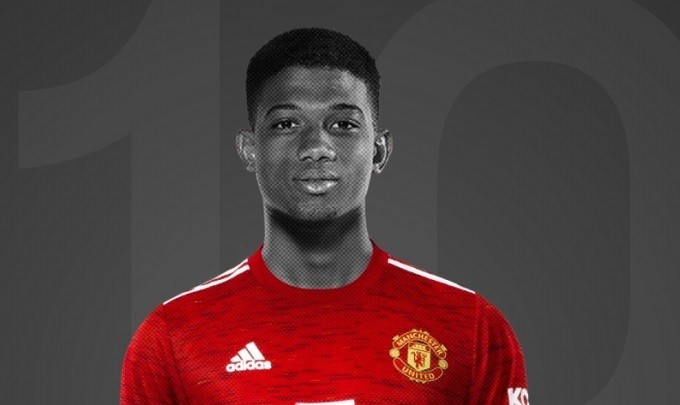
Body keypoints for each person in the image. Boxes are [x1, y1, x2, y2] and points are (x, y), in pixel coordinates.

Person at [120, 27, 529, 405]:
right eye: (286, 123)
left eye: (343, 124)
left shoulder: (471, 327)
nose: (316, 146)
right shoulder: (171, 337)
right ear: (250, 150)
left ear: (379, 150)